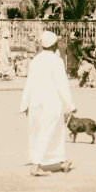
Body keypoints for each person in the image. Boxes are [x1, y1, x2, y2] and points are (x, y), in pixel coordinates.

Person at [19, 30, 76, 176]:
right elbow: (62, 84)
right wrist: (70, 105)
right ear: (54, 44)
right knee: (49, 131)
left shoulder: (36, 60)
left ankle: (61, 160)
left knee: (45, 131)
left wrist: (24, 104)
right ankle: (36, 166)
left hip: (35, 102)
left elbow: (29, 83)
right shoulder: (56, 61)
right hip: (51, 102)